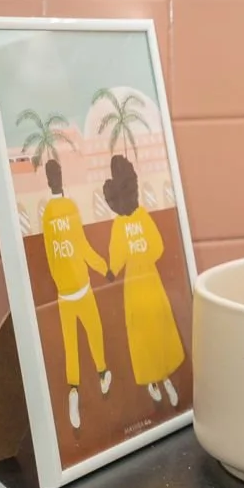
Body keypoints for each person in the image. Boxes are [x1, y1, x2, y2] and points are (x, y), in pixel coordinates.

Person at [103, 153, 185, 409]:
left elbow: (127, 253)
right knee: (145, 331)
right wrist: (122, 265)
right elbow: (149, 248)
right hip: (142, 281)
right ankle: (154, 380)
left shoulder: (131, 219)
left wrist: (123, 265)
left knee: (152, 328)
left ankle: (163, 377)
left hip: (143, 281)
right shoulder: (128, 221)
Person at [40, 158, 112, 431]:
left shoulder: (47, 214)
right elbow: (82, 246)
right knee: (95, 331)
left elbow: (50, 255)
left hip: (64, 294)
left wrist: (59, 282)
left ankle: (73, 389)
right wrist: (103, 267)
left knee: (71, 343)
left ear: (48, 181)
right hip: (82, 287)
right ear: (60, 179)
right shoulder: (69, 207)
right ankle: (102, 373)